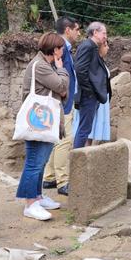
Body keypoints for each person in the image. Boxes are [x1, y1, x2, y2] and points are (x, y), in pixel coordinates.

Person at [15, 32, 69, 221]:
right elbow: (62, 86)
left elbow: (61, 90)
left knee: (40, 161)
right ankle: (30, 204)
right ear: (54, 49)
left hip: (42, 122)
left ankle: (37, 196)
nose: (63, 51)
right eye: (61, 48)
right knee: (34, 163)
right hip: (39, 122)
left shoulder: (44, 65)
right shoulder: (41, 66)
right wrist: (62, 70)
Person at [42, 17, 80, 196]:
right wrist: (66, 95)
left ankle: (49, 178)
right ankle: (63, 181)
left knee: (56, 140)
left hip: (63, 101)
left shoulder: (64, 49)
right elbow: (59, 77)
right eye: (76, 29)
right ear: (67, 30)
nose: (78, 33)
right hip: (62, 103)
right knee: (65, 140)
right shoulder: (61, 49)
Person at [72, 22, 111, 150]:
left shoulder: (92, 47)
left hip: (91, 95)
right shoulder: (87, 46)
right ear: (95, 32)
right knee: (84, 129)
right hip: (87, 96)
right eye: (104, 33)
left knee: (86, 129)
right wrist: (89, 91)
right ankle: (76, 160)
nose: (105, 36)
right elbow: (80, 70)